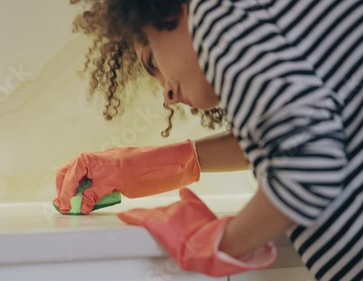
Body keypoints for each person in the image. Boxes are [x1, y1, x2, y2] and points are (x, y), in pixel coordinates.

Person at [53, 1, 363, 280]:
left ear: (174, 10)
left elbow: (309, 168)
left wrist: (211, 245)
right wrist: (144, 165)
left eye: (153, 64)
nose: (169, 95)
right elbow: (300, 134)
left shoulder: (216, 13)